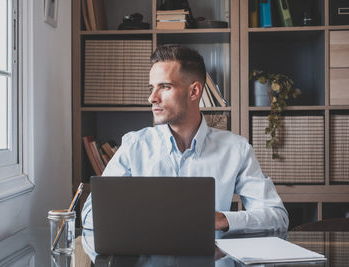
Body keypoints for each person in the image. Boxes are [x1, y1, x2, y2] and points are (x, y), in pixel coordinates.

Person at [82, 44, 289, 233]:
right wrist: (144, 220)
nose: (152, 98)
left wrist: (222, 220)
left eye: (164, 87)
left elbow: (277, 217)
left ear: (194, 91)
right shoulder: (134, 146)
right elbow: (90, 215)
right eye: (151, 87)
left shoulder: (236, 149)